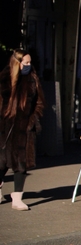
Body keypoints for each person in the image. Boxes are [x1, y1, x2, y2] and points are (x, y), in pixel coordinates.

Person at [0, 49, 45, 210]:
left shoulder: (32, 79)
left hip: (24, 128)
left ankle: (17, 197)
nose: (29, 65)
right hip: (4, 127)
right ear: (17, 63)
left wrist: (33, 119)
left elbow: (39, 102)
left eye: (30, 62)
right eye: (26, 63)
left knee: (21, 163)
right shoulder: (4, 79)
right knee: (2, 162)